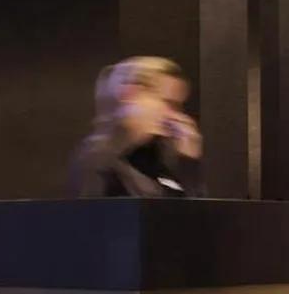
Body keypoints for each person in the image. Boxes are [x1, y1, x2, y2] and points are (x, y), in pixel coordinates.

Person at [69, 57, 201, 197]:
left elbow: (192, 208)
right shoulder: (97, 158)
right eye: (168, 103)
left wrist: (188, 163)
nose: (174, 115)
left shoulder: (157, 155)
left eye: (178, 106)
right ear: (131, 93)